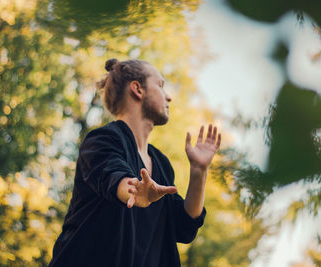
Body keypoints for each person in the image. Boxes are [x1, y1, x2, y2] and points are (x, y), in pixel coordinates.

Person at [48, 58, 221, 267]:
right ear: (138, 89)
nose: (168, 97)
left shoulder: (161, 164)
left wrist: (199, 171)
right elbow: (112, 176)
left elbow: (184, 226)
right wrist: (135, 191)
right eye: (160, 85)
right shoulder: (101, 140)